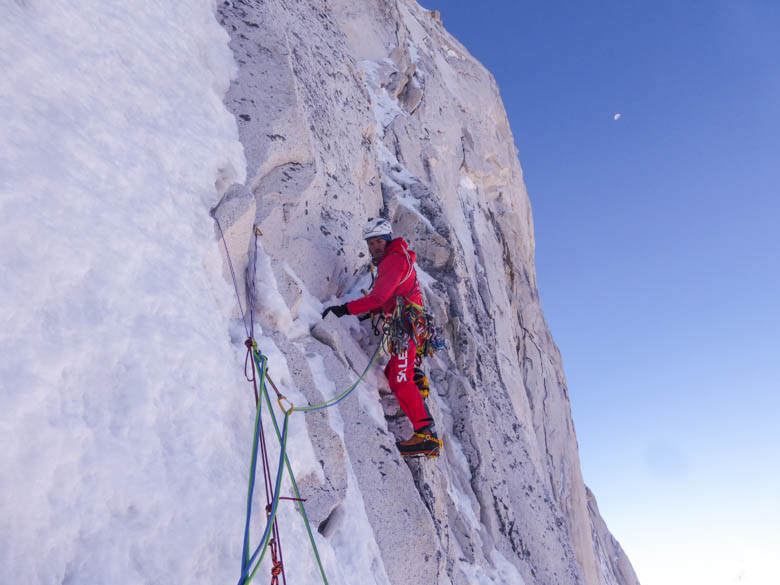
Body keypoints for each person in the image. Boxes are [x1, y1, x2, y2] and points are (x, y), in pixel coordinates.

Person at [322, 218, 442, 457]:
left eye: (378, 241)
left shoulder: (395, 261)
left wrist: (343, 309)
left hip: (406, 328)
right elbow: (388, 297)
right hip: (407, 326)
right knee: (394, 375)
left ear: (387, 240)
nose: (375, 247)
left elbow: (379, 298)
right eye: (371, 243)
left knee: (399, 380)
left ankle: (426, 435)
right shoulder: (395, 259)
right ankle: (417, 383)